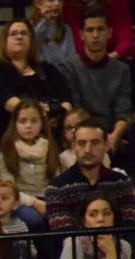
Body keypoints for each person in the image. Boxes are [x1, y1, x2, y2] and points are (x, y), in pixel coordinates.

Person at [0, 18, 72, 149]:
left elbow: (67, 100)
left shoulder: (47, 69)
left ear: (31, 40)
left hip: (52, 136)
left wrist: (59, 114)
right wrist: (41, 117)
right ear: (4, 41)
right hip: (9, 139)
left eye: (23, 33)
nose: (19, 37)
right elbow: (10, 103)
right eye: (14, 33)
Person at [58, 8, 132, 164]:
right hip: (83, 131)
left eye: (100, 29)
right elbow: (76, 111)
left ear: (110, 32)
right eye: (90, 30)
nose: (95, 35)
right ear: (81, 35)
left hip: (114, 133)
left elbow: (123, 109)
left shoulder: (122, 69)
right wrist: (100, 138)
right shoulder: (69, 67)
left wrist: (115, 136)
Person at [43, 123, 135, 230]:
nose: (88, 150)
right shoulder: (56, 188)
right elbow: (63, 235)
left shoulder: (122, 183)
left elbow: (129, 229)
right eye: (81, 143)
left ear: (106, 146)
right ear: (73, 147)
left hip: (117, 245)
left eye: (95, 143)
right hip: (75, 246)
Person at [0, 99, 62, 230]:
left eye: (34, 121)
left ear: (42, 123)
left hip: (48, 199)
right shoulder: (8, 151)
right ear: (15, 123)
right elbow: (8, 189)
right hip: (19, 201)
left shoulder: (50, 148)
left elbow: (57, 182)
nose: (28, 125)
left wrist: (50, 203)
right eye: (23, 121)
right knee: (34, 220)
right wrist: (35, 203)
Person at [30, 0, 77, 67]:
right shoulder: (30, 28)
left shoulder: (66, 29)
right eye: (51, 0)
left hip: (64, 74)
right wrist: (44, 20)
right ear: (38, 3)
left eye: (60, 0)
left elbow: (72, 59)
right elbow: (33, 48)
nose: (57, 3)